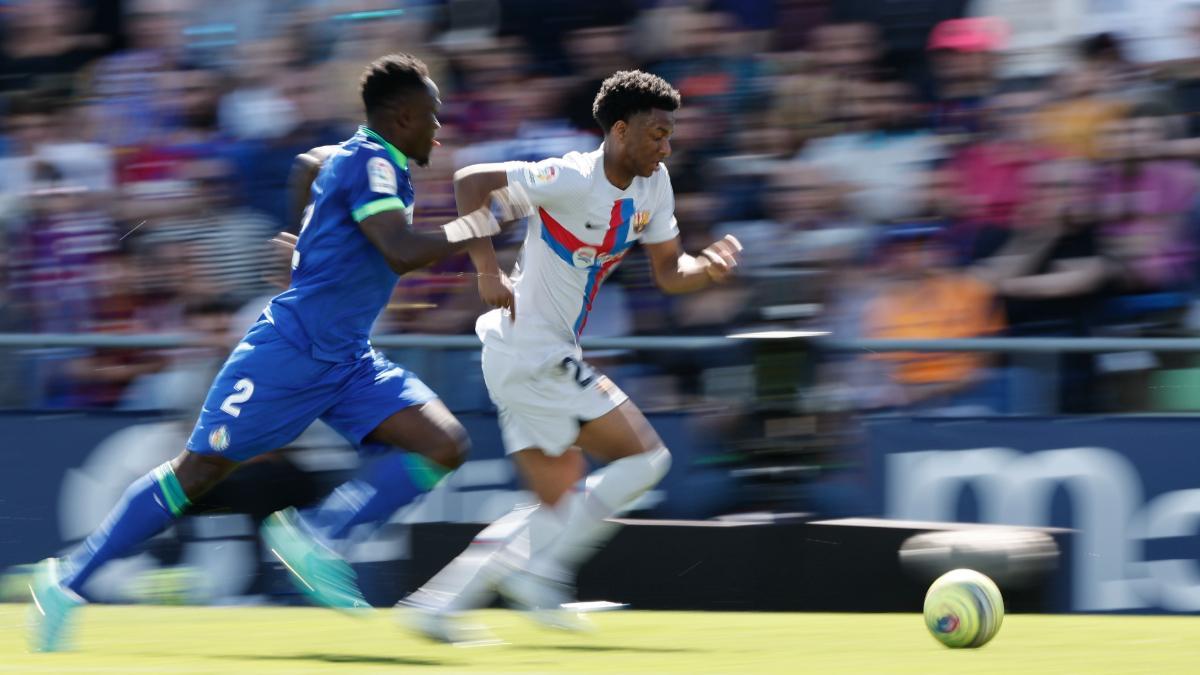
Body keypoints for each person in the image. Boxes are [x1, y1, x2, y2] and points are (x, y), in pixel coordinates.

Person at [27, 53, 533, 652]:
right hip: (288, 352)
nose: (439, 129)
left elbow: (306, 165)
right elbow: (398, 250)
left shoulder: (364, 157)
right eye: (431, 116)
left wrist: (302, 239)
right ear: (401, 117)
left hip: (346, 358)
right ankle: (67, 580)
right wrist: (479, 224)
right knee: (198, 473)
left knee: (443, 444)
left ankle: (322, 534)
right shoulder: (371, 163)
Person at [401, 70, 742, 642]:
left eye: (669, 134)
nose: (667, 146)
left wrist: (704, 271)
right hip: (530, 350)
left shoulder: (655, 187)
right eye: (657, 133)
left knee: (556, 505)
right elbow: (468, 182)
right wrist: (486, 269)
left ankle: (438, 606)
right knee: (645, 462)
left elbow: (667, 273)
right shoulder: (570, 176)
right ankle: (539, 574)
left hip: (532, 354)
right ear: (618, 130)